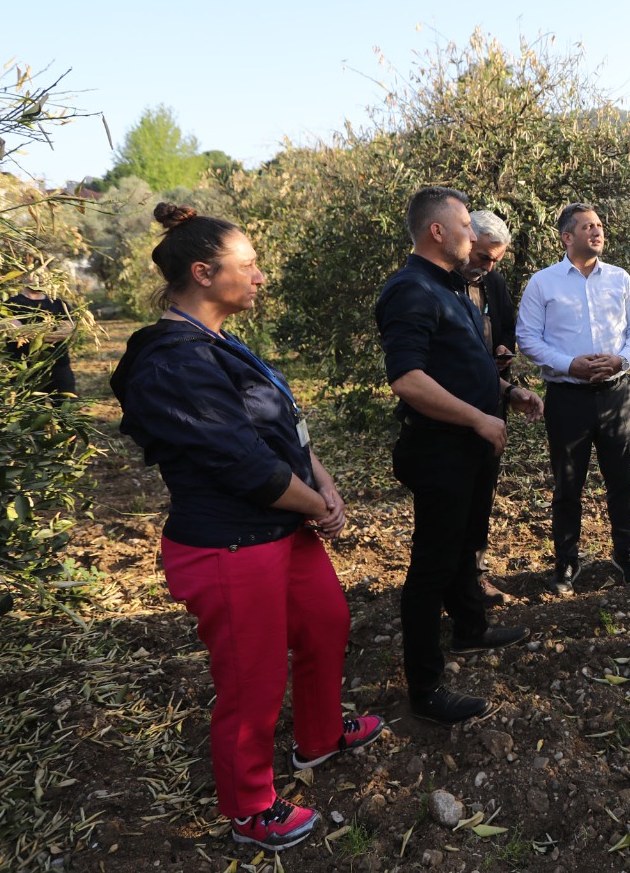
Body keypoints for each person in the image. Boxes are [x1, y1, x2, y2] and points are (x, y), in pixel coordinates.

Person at [110, 203, 382, 853]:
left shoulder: (221, 341)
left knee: (326, 624)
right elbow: (245, 466)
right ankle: (249, 809)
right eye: (249, 266)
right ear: (203, 273)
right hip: (230, 545)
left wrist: (323, 482)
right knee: (252, 680)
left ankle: (318, 738)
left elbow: (280, 426)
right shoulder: (172, 362)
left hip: (282, 529)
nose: (261, 277)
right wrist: (315, 505)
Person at [376, 187, 540, 727]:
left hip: (472, 444)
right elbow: (408, 378)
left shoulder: (453, 287)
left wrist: (507, 393)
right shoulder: (411, 290)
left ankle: (469, 628)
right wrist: (476, 417)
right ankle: (425, 688)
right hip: (441, 448)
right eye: (467, 225)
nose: (475, 234)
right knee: (431, 567)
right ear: (437, 232)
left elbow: (463, 367)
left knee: (465, 544)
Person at [516, 202, 630, 594]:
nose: (597, 231)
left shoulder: (620, 279)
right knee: (568, 483)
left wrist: (621, 358)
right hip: (567, 398)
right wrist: (568, 365)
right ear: (567, 236)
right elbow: (528, 337)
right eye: (587, 226)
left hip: (616, 396)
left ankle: (626, 555)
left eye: (599, 225)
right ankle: (566, 562)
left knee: (622, 481)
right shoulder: (543, 283)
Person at [458, 210, 519, 607]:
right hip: (450, 411)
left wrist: (502, 354)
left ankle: (474, 577)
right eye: (482, 257)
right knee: (452, 502)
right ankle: (452, 584)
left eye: (495, 260)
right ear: (466, 242)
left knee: (482, 495)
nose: (487, 266)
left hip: (491, 405)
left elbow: (507, 333)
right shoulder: (437, 285)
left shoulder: (493, 284)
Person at [4, 269, 78, 403]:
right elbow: (15, 331)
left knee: (64, 412)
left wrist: (32, 333)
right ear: (23, 276)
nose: (39, 278)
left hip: (59, 368)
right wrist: (52, 331)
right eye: (35, 273)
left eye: (43, 274)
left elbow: (69, 332)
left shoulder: (59, 304)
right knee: (28, 415)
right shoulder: (10, 305)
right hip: (24, 370)